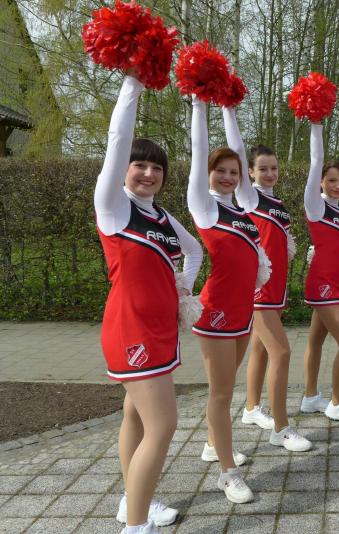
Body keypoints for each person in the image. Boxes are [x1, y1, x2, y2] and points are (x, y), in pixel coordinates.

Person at [95, 74, 202, 533]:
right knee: (163, 425)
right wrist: (133, 84)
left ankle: (132, 503)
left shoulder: (160, 215)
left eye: (157, 168)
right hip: (131, 330)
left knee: (135, 415)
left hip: (160, 329)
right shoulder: (114, 207)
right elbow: (118, 139)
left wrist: (183, 289)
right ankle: (136, 527)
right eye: (139, 165)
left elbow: (195, 251)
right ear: (123, 169)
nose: (148, 173)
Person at [188, 96, 261, 503]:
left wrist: (230, 109)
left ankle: (212, 444)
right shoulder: (204, 206)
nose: (229, 177)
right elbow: (199, 151)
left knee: (225, 387)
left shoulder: (242, 211)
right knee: (221, 393)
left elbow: (240, 150)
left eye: (235, 172)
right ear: (208, 173)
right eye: (221, 171)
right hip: (215, 312)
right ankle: (227, 473)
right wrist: (200, 104)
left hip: (243, 312)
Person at [241, 145, 312, 452]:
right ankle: (281, 429)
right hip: (260, 290)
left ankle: (251, 408)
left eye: (274, 168)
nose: (270, 174)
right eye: (263, 168)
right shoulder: (250, 197)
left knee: (260, 347)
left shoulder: (277, 202)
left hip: (277, 288)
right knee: (281, 352)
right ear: (250, 172)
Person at [299, 122, 339, 424]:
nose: (337, 185)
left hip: (336, 285)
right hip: (323, 286)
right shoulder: (317, 205)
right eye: (331, 180)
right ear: (320, 183)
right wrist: (316, 126)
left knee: (315, 340)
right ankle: (338, 403)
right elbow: (315, 161)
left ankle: (310, 397)